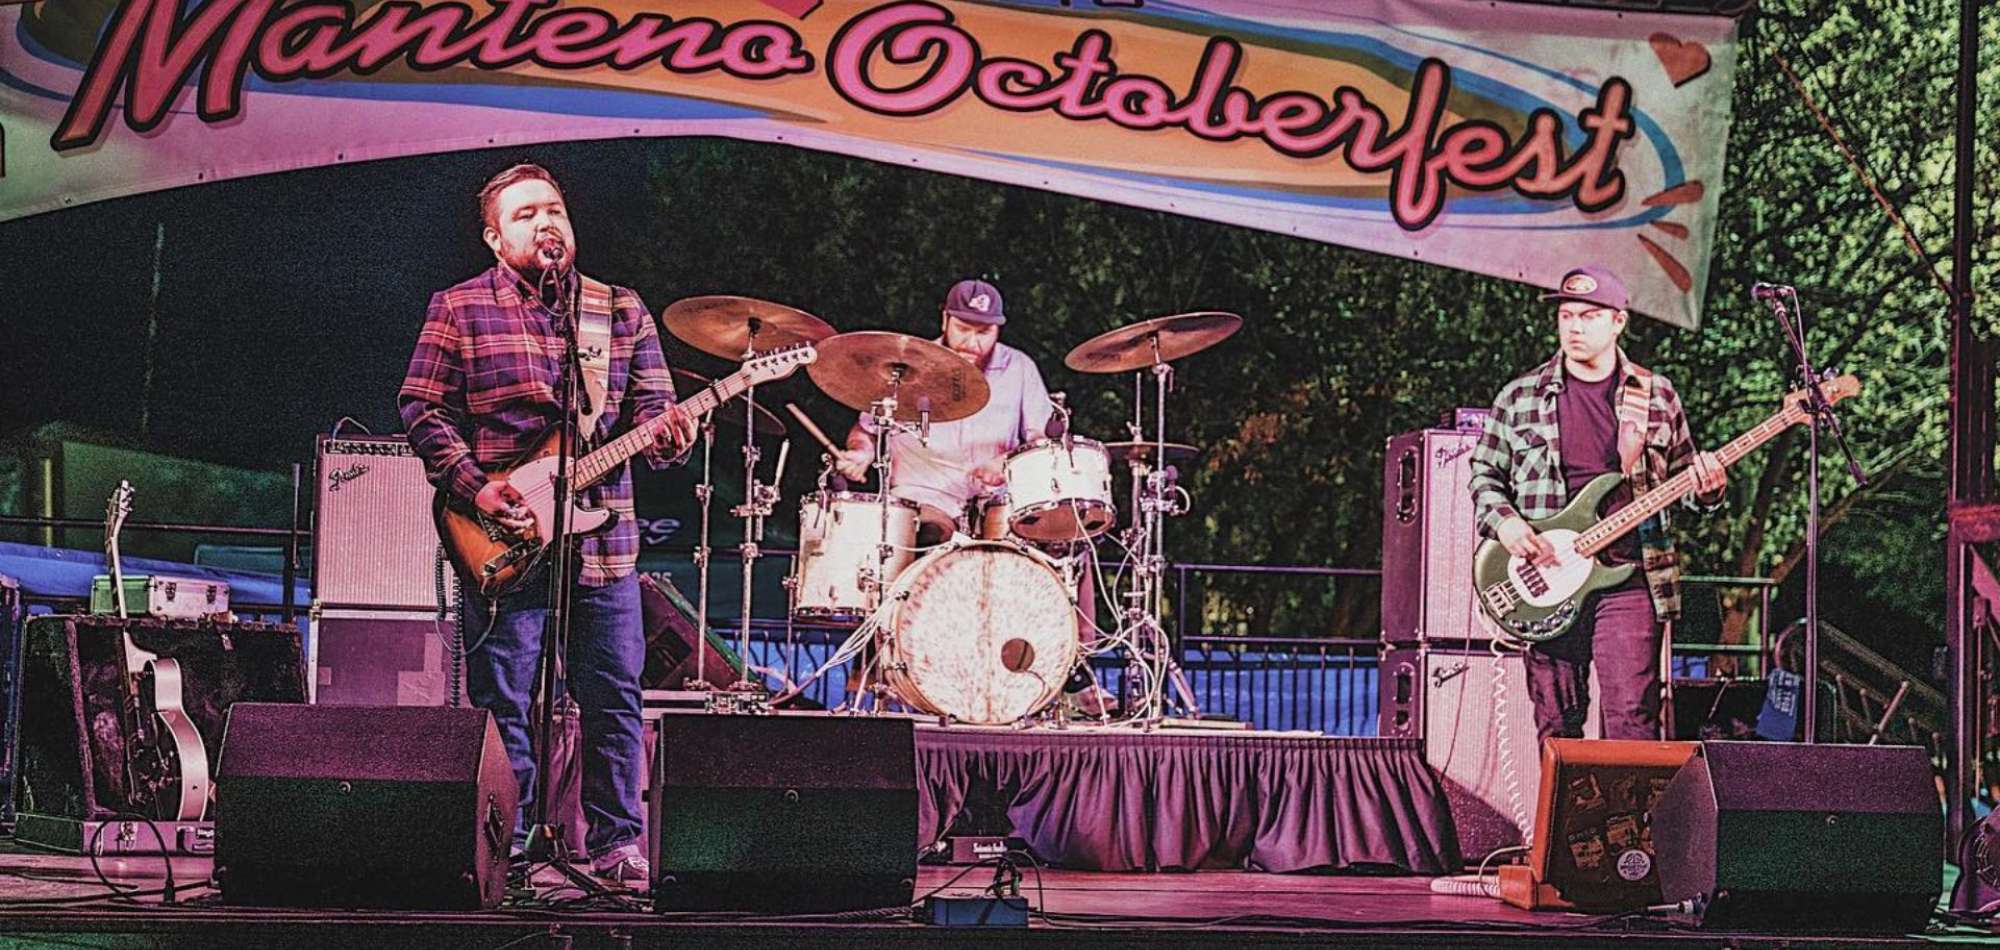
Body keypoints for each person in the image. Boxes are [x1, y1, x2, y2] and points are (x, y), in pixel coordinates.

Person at [400, 162, 696, 886]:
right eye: (526, 214)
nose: (546, 223)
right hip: (502, 540)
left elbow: (655, 410)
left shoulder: (618, 310)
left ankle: (617, 847)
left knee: (614, 698)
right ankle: (511, 848)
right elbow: (422, 408)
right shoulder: (459, 306)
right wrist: (476, 488)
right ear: (495, 238)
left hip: (605, 545)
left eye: (554, 209)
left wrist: (671, 434)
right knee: (505, 702)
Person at [1467, 265, 1726, 742]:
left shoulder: (1656, 395)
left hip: (1628, 577)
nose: (1574, 327)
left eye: (1588, 316)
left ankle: (1631, 798)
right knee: (1556, 723)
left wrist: (1708, 489)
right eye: (1566, 315)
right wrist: (1506, 525)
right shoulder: (1520, 397)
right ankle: (1567, 798)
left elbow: (1686, 480)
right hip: (1547, 577)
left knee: (1632, 719)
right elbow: (1484, 473)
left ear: (1618, 322)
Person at [832, 279, 1054, 542]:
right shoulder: (906, 366)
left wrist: (1007, 463)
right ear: (945, 320)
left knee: (1040, 541)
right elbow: (867, 429)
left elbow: (1042, 440)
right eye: (963, 329)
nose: (972, 343)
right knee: (929, 535)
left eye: (984, 332)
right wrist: (862, 452)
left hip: (997, 502)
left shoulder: (1019, 367)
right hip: (924, 497)